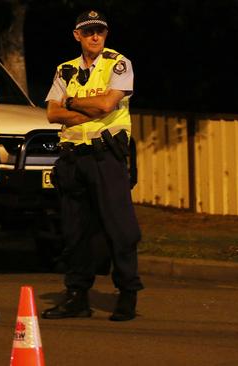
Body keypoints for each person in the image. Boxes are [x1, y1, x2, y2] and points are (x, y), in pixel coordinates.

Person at [42, 9, 143, 321]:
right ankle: (77, 295)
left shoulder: (118, 63)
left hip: (106, 156)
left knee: (119, 227)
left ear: (106, 33)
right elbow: (52, 114)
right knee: (75, 229)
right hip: (73, 158)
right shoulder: (65, 69)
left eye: (99, 31)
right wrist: (84, 110)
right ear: (77, 36)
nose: (95, 36)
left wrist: (71, 102)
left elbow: (106, 105)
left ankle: (127, 294)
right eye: (88, 32)